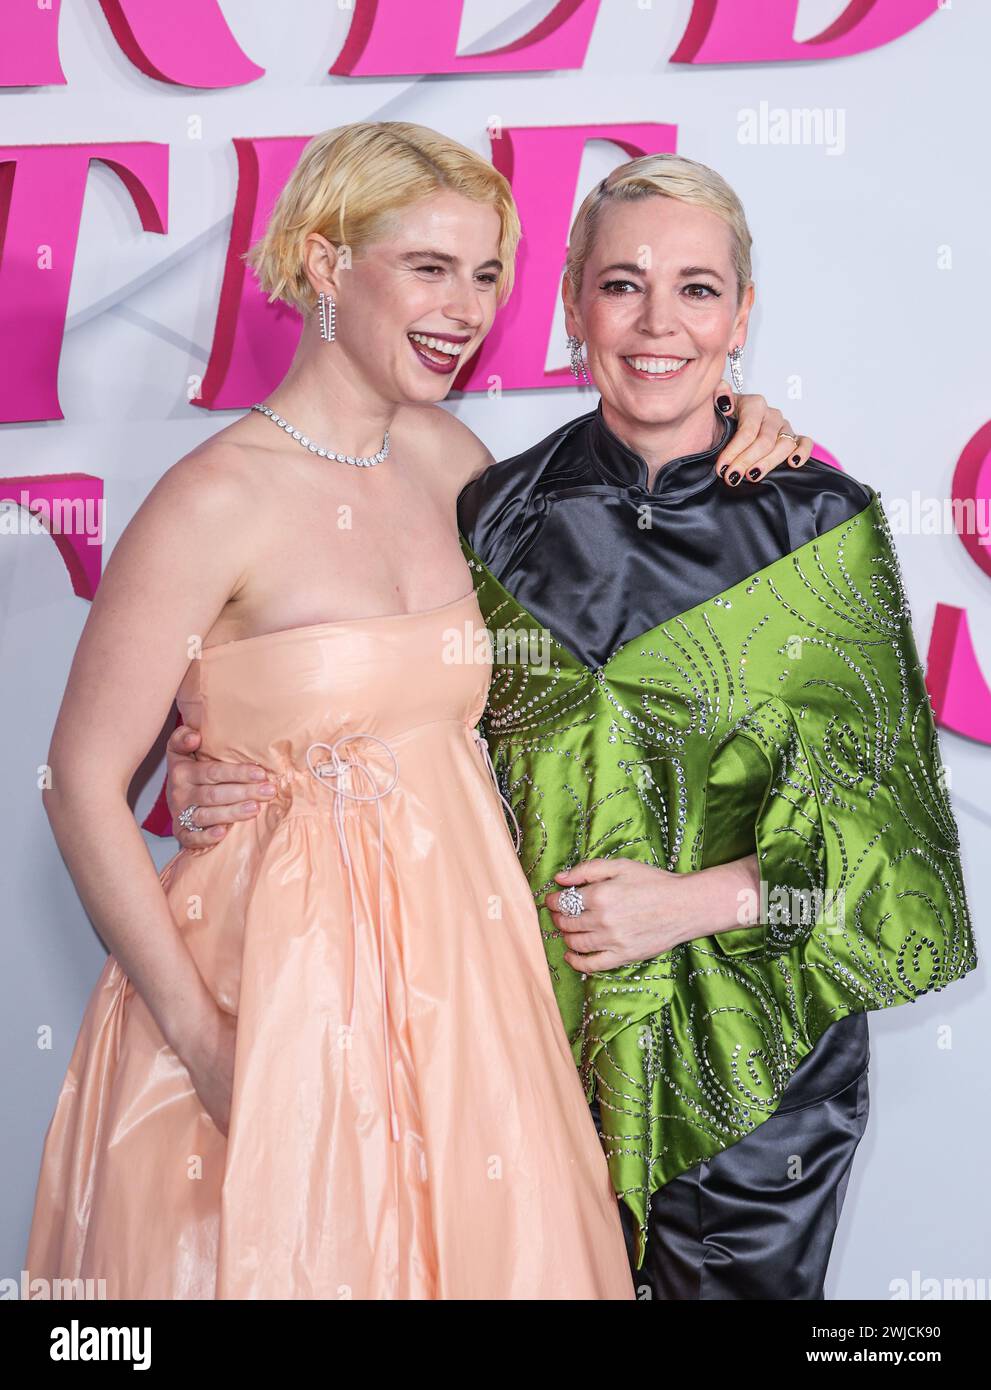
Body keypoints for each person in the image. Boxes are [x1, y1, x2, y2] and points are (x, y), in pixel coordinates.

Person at [25, 121, 647, 1300]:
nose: (464, 307)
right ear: (322, 264)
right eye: (427, 267)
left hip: (464, 991)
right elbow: (80, 783)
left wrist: (746, 428)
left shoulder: (453, 461)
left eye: (484, 273)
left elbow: (620, 592)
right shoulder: (215, 498)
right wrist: (208, 1044)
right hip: (271, 993)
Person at [456, 154, 978, 1297]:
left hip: (759, 1081)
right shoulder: (491, 517)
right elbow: (421, 746)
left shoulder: (817, 525)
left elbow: (898, 866)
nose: (658, 323)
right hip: (535, 1060)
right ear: (570, 305)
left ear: (741, 316)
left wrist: (690, 902)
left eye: (697, 289)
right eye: (621, 284)